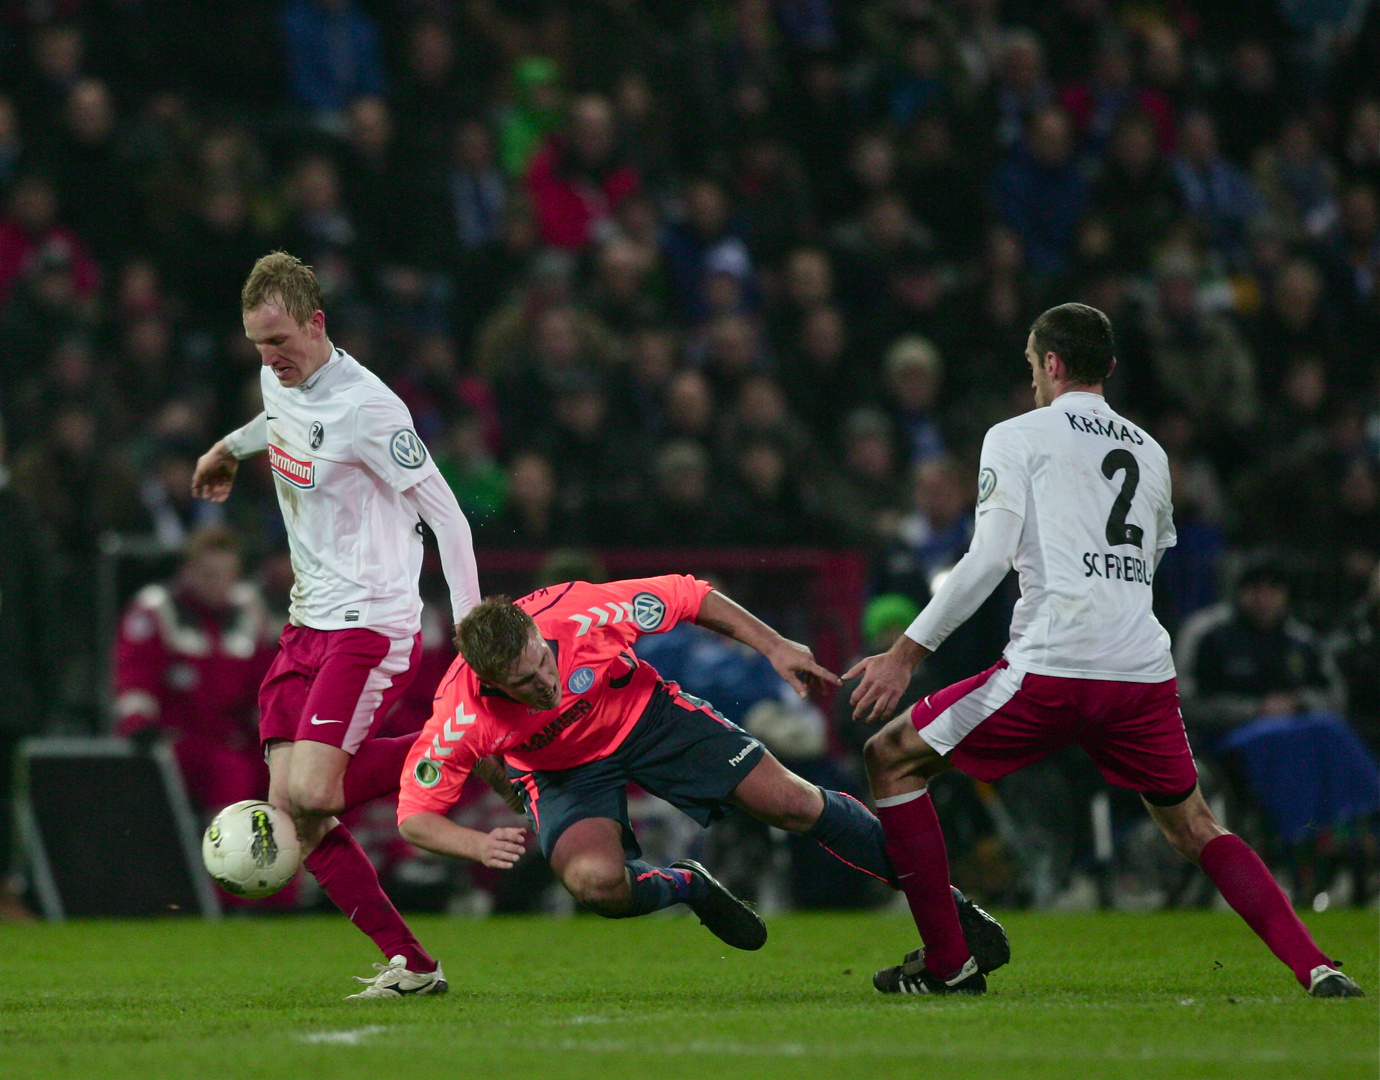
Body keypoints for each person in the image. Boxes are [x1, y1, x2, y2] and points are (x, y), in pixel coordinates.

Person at [847, 302, 1363, 999]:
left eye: (1032, 366)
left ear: (1051, 364)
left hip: (1053, 666)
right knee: (1196, 824)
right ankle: (1317, 965)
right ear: (1109, 368)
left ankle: (948, 963)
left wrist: (904, 654)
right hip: (1140, 674)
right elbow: (1142, 566)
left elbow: (987, 557)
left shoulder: (1015, 435)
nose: (1031, 379)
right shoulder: (1150, 452)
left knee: (891, 758)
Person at [395, 575, 1008, 960]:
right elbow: (414, 818)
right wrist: (475, 845)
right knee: (595, 886)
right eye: (524, 685)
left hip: (648, 719)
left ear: (536, 632)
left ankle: (950, 910)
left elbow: (693, 596)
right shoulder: (458, 712)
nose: (545, 686)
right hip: (562, 774)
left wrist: (774, 647)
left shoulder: (580, 610)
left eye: (543, 666)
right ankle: (686, 883)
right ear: (486, 680)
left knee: (795, 803)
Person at [190, 252, 482, 999]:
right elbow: (279, 418)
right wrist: (228, 448)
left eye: (280, 341)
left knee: (311, 795)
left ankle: (466, 744)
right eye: (258, 345)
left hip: (371, 624)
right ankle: (415, 967)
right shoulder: (276, 378)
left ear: (316, 324)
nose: (270, 358)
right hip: (306, 625)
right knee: (298, 814)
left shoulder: (372, 409)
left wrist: (474, 626)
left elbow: (448, 520)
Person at [113, 526, 277, 818]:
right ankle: (224, 855)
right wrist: (138, 725)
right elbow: (136, 679)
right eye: (210, 575)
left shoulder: (250, 614)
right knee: (229, 772)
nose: (220, 585)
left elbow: (267, 684)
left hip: (234, 739)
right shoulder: (157, 612)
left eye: (228, 576)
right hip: (173, 741)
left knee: (294, 770)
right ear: (187, 571)